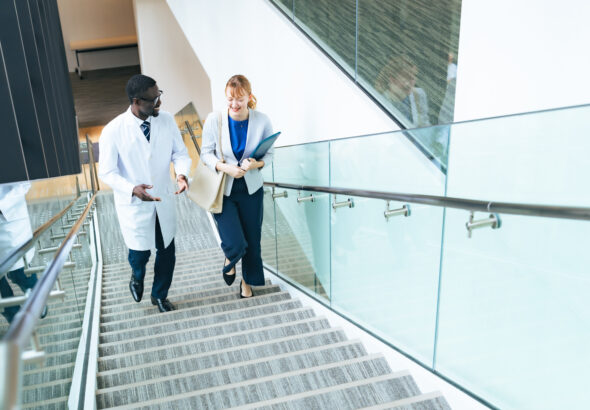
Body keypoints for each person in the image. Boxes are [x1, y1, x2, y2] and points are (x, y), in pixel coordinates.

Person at [98, 74, 191, 312]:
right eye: (153, 99)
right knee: (139, 255)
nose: (159, 102)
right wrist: (131, 189)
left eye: (160, 95)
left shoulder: (167, 121)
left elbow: (180, 153)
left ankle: (159, 295)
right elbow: (106, 172)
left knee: (167, 251)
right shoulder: (113, 130)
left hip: (163, 198)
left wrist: (181, 174)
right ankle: (136, 276)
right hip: (135, 204)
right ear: (137, 101)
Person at [200, 74, 273, 298]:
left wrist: (254, 165)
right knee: (234, 240)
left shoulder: (262, 120)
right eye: (230, 99)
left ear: (249, 97)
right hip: (224, 189)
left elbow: (269, 154)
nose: (234, 104)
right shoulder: (215, 119)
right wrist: (225, 168)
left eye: (239, 99)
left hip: (251, 189)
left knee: (252, 239)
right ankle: (230, 257)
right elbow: (205, 154)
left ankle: (247, 283)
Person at [0, 182, 47, 323]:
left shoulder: (10, 160)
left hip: (10, 221)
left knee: (20, 272)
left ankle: (37, 301)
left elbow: (24, 183)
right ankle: (15, 319)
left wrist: (2, 206)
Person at [375, 54, 431, 128]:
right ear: (392, 79)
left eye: (414, 76)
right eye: (407, 77)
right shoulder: (380, 101)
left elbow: (425, 125)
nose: (412, 81)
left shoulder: (419, 94)